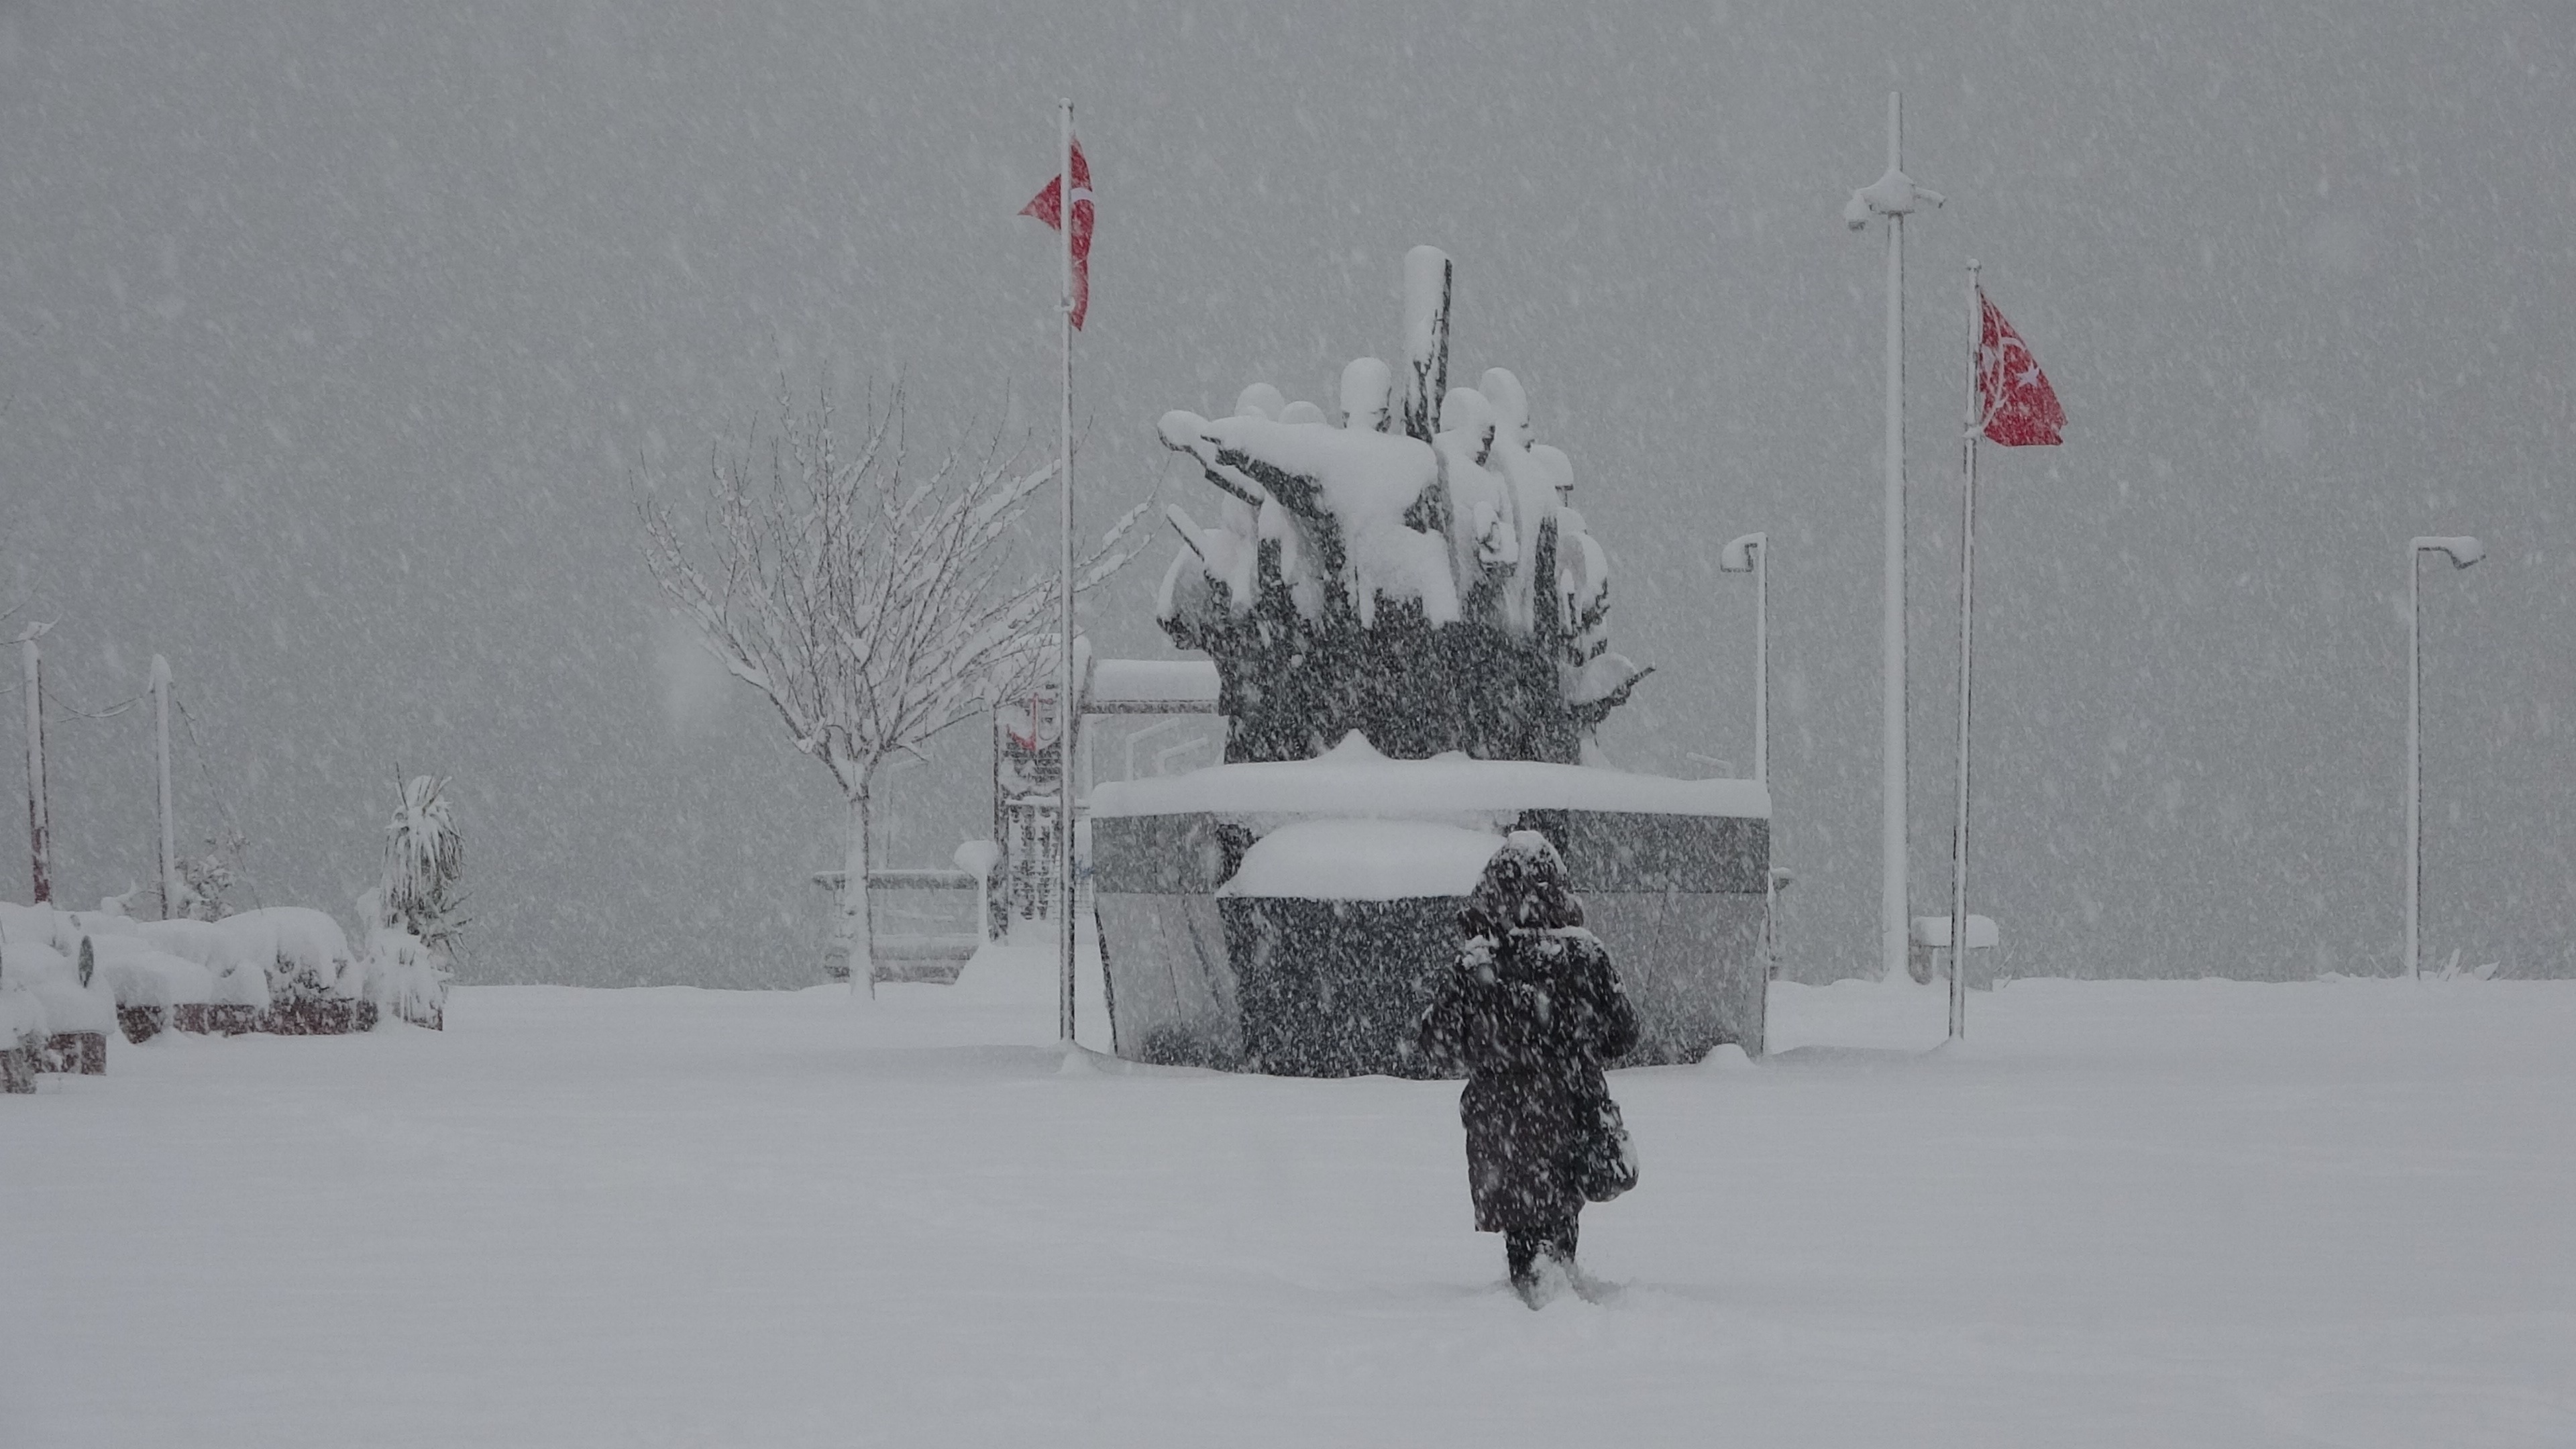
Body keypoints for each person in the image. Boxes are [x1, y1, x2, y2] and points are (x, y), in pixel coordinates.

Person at [1414, 830, 1639, 1306]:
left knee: (1523, 1224)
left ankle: (1536, 1299)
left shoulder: (1478, 963)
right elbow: (1625, 1036)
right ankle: (1557, 1295)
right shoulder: (1585, 955)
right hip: (1572, 1109)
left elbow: (1435, 1043)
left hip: (1501, 1124)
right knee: (1560, 1215)